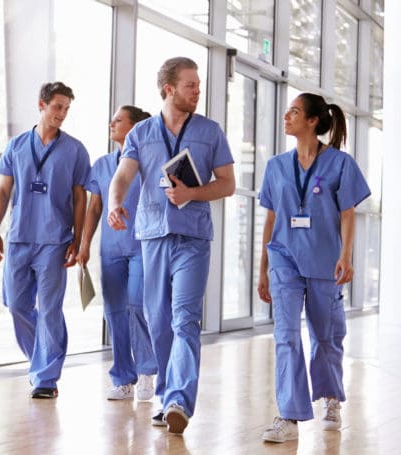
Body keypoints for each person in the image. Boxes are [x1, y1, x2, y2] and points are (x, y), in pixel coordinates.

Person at [107, 57, 235, 434]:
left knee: (184, 319)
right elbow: (122, 176)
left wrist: (193, 193)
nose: (198, 90)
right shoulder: (141, 133)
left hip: (193, 238)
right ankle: (166, 397)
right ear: (169, 89)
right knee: (159, 321)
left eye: (198, 84)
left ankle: (179, 398)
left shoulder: (210, 132)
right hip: (152, 237)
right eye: (190, 85)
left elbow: (226, 183)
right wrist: (115, 204)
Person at [257, 93, 370, 442]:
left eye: (294, 111)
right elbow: (271, 217)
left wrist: (346, 256)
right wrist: (262, 268)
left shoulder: (340, 164)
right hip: (284, 259)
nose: (286, 115)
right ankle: (289, 416)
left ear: (312, 121)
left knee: (326, 336)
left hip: (324, 260)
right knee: (286, 336)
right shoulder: (276, 166)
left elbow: (348, 212)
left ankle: (331, 397)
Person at [0, 81, 90, 399]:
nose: (62, 114)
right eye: (57, 106)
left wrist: (77, 237)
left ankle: (46, 377)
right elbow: (4, 190)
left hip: (55, 240)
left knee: (49, 309)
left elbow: (80, 198)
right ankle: (40, 360)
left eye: (67, 109)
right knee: (16, 304)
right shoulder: (17, 146)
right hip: (19, 238)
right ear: (41, 105)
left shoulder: (75, 150)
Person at [77, 105, 157, 402]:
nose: (112, 123)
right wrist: (84, 244)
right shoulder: (101, 164)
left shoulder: (148, 163)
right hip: (110, 249)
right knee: (114, 313)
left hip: (142, 245)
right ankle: (123, 377)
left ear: (136, 127)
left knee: (137, 305)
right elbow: (94, 207)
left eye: (119, 120)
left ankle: (148, 370)